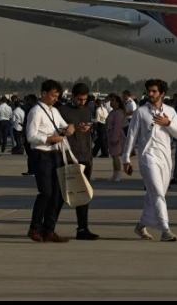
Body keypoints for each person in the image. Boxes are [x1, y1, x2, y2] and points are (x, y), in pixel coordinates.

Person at [123, 79, 177, 241]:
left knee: (156, 194)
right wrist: (126, 158)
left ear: (162, 93)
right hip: (147, 157)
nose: (150, 94)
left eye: (154, 91)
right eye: (149, 91)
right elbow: (131, 136)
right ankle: (165, 230)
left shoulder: (170, 111)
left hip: (165, 158)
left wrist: (168, 123)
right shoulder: (141, 112)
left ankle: (141, 225)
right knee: (157, 192)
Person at [25, 80, 72, 242]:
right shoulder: (35, 112)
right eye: (53, 95)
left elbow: (63, 126)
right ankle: (35, 227)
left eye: (57, 96)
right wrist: (49, 138)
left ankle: (49, 229)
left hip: (55, 154)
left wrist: (71, 128)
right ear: (43, 93)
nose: (55, 99)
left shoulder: (54, 111)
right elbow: (30, 136)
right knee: (46, 192)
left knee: (57, 194)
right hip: (41, 154)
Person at [57, 82, 100, 241]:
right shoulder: (62, 111)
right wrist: (74, 128)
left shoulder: (87, 110)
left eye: (84, 99)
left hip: (85, 156)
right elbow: (58, 131)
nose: (82, 102)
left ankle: (83, 228)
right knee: (60, 194)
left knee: (83, 194)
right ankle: (48, 226)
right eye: (79, 99)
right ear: (72, 96)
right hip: (68, 157)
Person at [106, 94, 126, 182]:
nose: (111, 102)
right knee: (113, 156)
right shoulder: (112, 112)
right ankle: (115, 174)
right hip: (110, 133)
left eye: (113, 100)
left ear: (118, 102)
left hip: (116, 135)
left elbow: (118, 126)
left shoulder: (118, 113)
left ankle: (118, 175)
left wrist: (115, 138)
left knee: (116, 156)